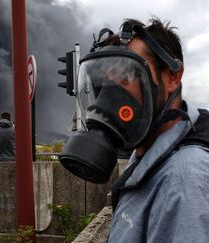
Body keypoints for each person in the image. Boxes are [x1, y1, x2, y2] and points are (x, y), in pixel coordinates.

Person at [59, 18, 209, 242]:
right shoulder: (149, 152)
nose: (109, 97)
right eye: (102, 82)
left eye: (126, 76)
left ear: (171, 77)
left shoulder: (183, 182)